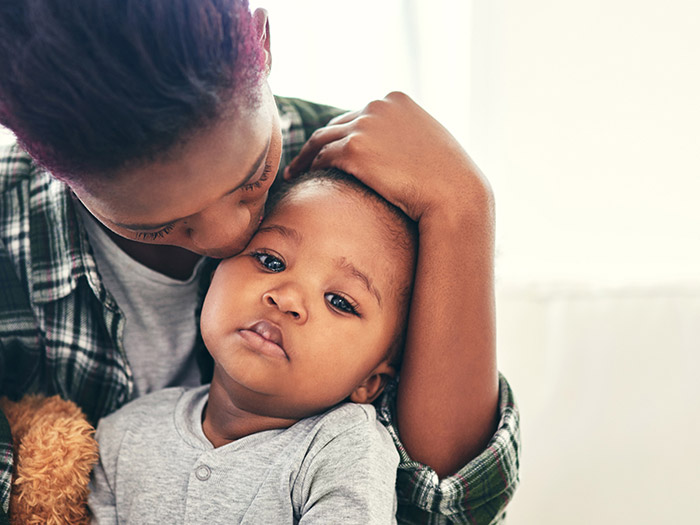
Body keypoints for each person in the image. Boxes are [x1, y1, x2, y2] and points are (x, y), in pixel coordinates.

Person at [0, 1, 520, 523]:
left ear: (263, 42)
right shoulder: (11, 230)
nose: (234, 237)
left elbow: (444, 510)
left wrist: (464, 205)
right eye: (160, 225)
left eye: (254, 178)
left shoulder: (363, 190)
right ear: (45, 163)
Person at [88, 169, 416, 524]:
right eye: (271, 261)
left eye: (338, 301)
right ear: (213, 274)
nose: (287, 297)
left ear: (369, 381)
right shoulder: (124, 434)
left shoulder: (344, 447)